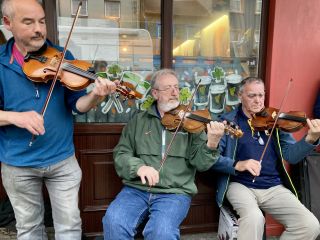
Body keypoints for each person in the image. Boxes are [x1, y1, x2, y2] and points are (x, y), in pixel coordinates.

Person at [0, 0, 117, 239]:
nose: (39, 29)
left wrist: (95, 95)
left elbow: (79, 106)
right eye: (28, 22)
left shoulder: (63, 57)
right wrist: (15, 117)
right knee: (29, 228)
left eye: (42, 21)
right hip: (17, 164)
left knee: (70, 226)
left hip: (62, 161)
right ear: (7, 23)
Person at [102, 68, 226, 240]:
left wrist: (212, 143)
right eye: (168, 88)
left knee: (162, 232)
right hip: (137, 189)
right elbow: (121, 153)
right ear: (155, 93)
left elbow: (201, 164)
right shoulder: (139, 121)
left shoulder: (191, 122)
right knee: (113, 221)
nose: (175, 92)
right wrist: (139, 168)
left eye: (176, 87)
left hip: (175, 192)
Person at [211, 77, 320, 240]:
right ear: (240, 96)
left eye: (261, 95)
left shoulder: (274, 120)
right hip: (240, 184)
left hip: (273, 186)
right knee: (254, 218)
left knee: (309, 224)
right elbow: (212, 159)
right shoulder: (228, 122)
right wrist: (238, 164)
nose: (258, 100)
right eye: (252, 96)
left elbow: (291, 156)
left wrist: (310, 139)